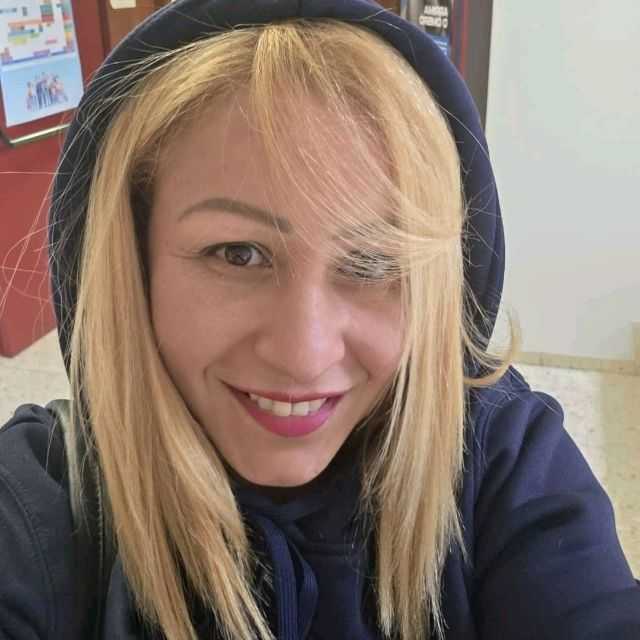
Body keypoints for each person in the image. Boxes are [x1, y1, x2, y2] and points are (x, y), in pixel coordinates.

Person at [1, 2, 638, 639]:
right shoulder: (39, 502)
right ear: (134, 262)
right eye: (238, 253)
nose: (302, 355)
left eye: (373, 262)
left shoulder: (505, 459)